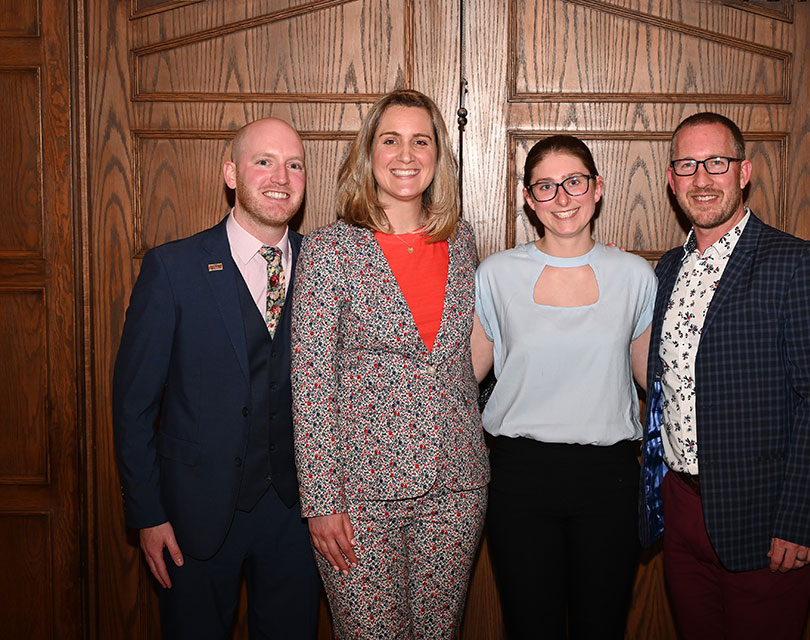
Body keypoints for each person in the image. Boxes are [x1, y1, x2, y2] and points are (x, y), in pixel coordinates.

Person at [639, 112, 810, 640]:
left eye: (717, 162)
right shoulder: (667, 269)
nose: (702, 179)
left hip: (766, 517)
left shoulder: (799, 263)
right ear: (671, 180)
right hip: (682, 510)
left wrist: (801, 520)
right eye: (687, 166)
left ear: (744, 172)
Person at [290, 89, 489, 639]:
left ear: (438, 154)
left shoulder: (462, 240)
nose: (407, 155)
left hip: (456, 485)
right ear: (368, 153)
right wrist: (321, 502)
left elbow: (469, 352)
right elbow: (310, 383)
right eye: (391, 140)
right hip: (359, 495)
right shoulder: (330, 249)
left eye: (420, 141)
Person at [112, 117, 320, 638]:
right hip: (194, 516)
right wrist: (148, 514)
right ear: (231, 173)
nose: (281, 176)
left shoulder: (327, 267)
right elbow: (133, 404)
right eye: (263, 161)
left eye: (294, 164)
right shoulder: (173, 268)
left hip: (300, 516)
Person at [472, 135, 657, 639]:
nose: (562, 198)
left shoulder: (636, 275)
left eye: (574, 182)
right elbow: (458, 378)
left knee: (603, 625)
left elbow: (653, 378)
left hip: (609, 479)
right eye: (546, 187)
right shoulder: (495, 275)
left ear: (597, 188)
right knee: (530, 626)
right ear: (529, 200)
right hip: (519, 477)